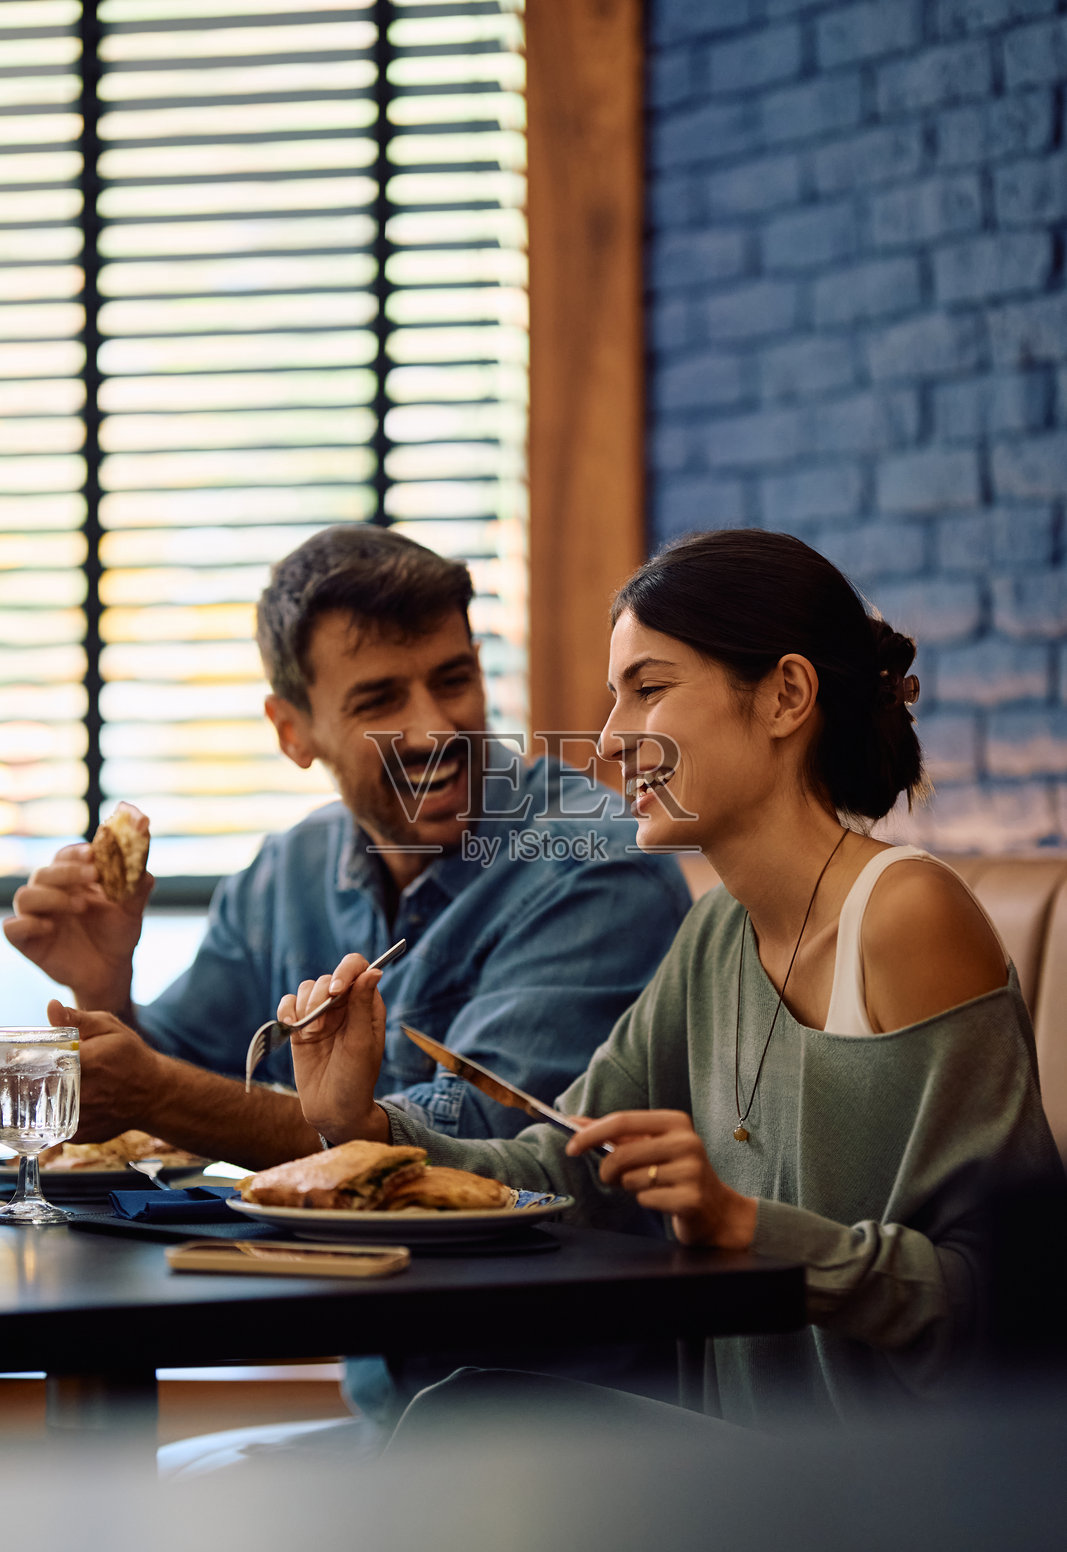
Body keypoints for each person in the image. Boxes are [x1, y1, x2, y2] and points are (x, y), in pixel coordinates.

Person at [285, 528, 1065, 1426]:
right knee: (468, 1413)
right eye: (611, 701)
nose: (609, 743)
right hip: (745, 1478)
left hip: (904, 1502)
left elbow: (1002, 1305)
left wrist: (744, 1226)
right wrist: (360, 1126)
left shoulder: (905, 917)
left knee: (471, 1424)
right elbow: (561, 1165)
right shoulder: (714, 936)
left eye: (647, 691)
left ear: (784, 695)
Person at [3, 525, 690, 1172]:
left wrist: (159, 1094)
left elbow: (479, 1141)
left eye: (453, 681)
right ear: (292, 732)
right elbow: (163, 1083)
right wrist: (105, 987)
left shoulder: (594, 865)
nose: (432, 730)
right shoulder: (285, 875)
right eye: (379, 701)